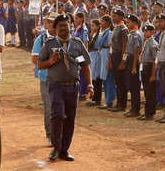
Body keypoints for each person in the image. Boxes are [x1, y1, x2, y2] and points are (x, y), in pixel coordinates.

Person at [37, 14, 93, 162]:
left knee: (70, 119)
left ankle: (64, 150)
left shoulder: (77, 44)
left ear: (71, 26)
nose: (63, 27)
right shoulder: (49, 44)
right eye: (60, 25)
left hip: (72, 87)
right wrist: (50, 61)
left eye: (66, 25)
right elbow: (40, 65)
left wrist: (90, 84)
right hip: (56, 86)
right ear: (55, 29)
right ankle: (56, 147)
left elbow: (85, 66)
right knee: (57, 116)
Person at [31, 12, 58, 146]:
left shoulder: (64, 38)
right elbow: (34, 59)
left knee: (60, 108)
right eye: (49, 22)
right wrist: (50, 63)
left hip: (61, 79)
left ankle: (58, 135)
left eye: (54, 22)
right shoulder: (40, 39)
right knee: (49, 107)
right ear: (46, 24)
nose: (52, 25)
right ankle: (50, 135)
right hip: (46, 78)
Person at [108, 9, 129, 112]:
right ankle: (119, 102)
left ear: (121, 17)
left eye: (115, 16)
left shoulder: (123, 29)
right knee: (117, 81)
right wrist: (111, 58)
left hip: (120, 56)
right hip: (115, 55)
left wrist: (123, 61)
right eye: (113, 15)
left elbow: (125, 46)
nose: (113, 17)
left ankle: (122, 104)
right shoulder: (116, 27)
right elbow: (112, 44)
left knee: (121, 82)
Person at [123, 14, 143, 117]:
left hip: (133, 60)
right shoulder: (131, 34)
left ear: (135, 23)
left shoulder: (136, 34)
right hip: (129, 59)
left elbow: (136, 51)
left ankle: (135, 109)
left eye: (128, 22)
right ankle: (133, 108)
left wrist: (134, 66)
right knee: (131, 85)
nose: (127, 24)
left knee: (135, 87)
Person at [139, 23, 158, 121]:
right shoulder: (146, 42)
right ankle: (148, 111)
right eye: (144, 31)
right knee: (147, 91)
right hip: (144, 67)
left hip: (150, 68)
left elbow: (155, 60)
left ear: (152, 32)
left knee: (150, 92)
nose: (145, 33)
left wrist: (153, 74)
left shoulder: (153, 43)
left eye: (147, 31)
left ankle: (149, 113)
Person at [96, 15, 115, 110]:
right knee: (104, 78)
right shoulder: (102, 32)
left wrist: (110, 60)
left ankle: (109, 100)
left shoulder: (110, 33)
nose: (101, 23)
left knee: (109, 78)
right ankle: (108, 100)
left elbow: (111, 47)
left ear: (107, 23)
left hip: (107, 55)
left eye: (102, 22)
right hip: (102, 54)